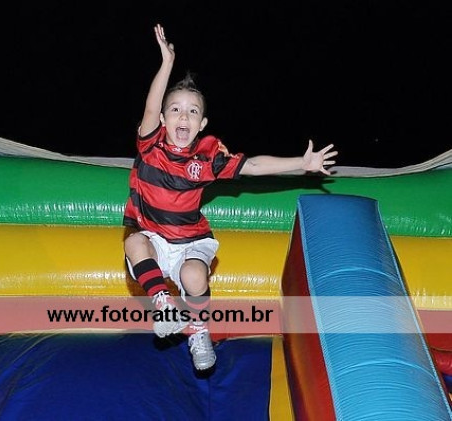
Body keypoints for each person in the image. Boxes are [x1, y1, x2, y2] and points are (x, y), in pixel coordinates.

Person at [123, 24, 338, 371]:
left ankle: (198, 330)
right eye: (175, 109)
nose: (183, 116)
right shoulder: (151, 145)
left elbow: (253, 165)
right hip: (153, 237)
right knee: (133, 242)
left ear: (202, 124)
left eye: (193, 111)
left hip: (189, 239)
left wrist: (302, 163)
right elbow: (149, 108)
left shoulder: (208, 158)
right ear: (162, 119)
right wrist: (167, 63)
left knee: (194, 276)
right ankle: (164, 306)